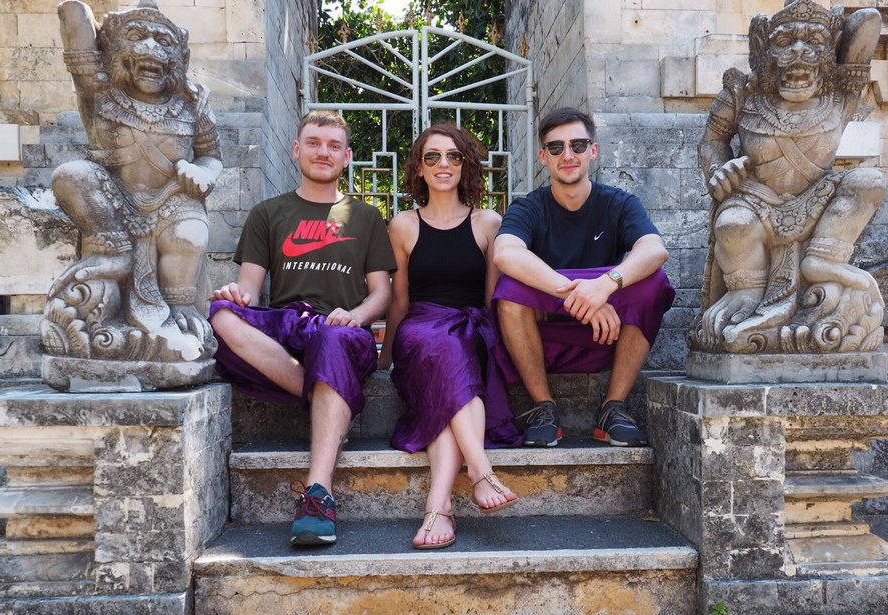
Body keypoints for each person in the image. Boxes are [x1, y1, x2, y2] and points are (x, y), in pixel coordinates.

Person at [209, 111, 396, 546]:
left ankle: (318, 492)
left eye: (333, 145)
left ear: (347, 157)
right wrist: (235, 296)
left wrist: (358, 316)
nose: (323, 152)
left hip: (343, 330)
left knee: (332, 338)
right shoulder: (268, 213)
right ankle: (331, 396)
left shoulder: (367, 217)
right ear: (297, 150)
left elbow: (381, 293)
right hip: (289, 325)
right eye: (313, 142)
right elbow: (251, 290)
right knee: (219, 314)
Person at [493, 107, 674, 448]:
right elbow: (505, 253)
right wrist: (580, 297)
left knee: (653, 283)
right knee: (510, 288)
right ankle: (543, 407)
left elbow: (654, 250)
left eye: (577, 145)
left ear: (593, 150)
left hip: (606, 335)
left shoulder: (619, 203)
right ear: (543, 157)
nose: (568, 155)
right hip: (544, 336)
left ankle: (613, 408)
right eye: (556, 147)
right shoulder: (528, 207)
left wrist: (604, 286)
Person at [378, 124, 522, 550]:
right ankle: (480, 470)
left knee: (453, 354)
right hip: (420, 329)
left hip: (470, 327)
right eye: (433, 157)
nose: (444, 165)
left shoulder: (488, 222)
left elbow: (494, 299)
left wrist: (502, 356)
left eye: (453, 156)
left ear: (465, 165)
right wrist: (385, 359)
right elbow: (399, 301)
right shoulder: (403, 225)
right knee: (440, 346)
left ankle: (438, 506)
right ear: (419, 169)